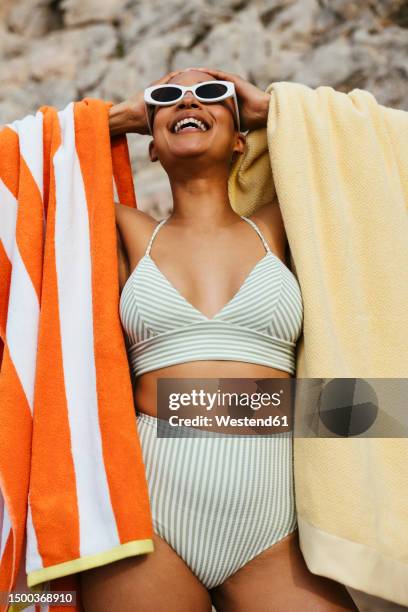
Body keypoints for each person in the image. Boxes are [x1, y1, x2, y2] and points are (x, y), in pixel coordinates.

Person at [79, 68, 358, 612]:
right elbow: (21, 183)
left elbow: (379, 168)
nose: (188, 101)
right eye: (166, 97)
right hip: (146, 523)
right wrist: (117, 118)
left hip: (278, 531)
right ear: (151, 146)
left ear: (239, 139)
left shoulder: (288, 227)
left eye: (211, 94)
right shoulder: (123, 232)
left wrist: (278, 111)